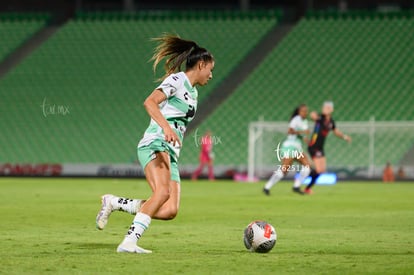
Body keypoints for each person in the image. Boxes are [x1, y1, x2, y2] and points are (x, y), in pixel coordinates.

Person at [95, 34, 215, 253]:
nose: (211, 74)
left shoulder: (194, 93)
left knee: (169, 210)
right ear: (201, 64)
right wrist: (167, 128)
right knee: (162, 193)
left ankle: (114, 202)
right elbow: (149, 102)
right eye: (210, 69)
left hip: (171, 152)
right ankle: (129, 242)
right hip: (155, 142)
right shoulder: (177, 80)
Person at [263, 104, 313, 195]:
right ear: (299, 112)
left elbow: (301, 134)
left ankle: (296, 186)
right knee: (284, 170)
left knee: (307, 165)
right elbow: (290, 131)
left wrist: (305, 139)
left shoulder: (304, 121)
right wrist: (302, 132)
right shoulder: (296, 119)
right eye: (303, 111)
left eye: (306, 111)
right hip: (289, 146)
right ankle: (267, 187)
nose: (305, 113)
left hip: (297, 147)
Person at [304, 101, 351, 194]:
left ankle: (307, 187)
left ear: (332, 109)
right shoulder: (320, 117)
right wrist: (315, 116)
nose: (325, 109)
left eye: (328, 108)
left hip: (320, 148)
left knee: (321, 170)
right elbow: (312, 115)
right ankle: (304, 182)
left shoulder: (331, 122)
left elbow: (336, 131)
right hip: (313, 146)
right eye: (324, 107)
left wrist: (345, 137)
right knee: (317, 169)